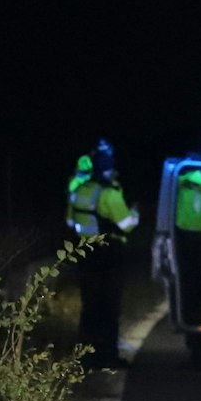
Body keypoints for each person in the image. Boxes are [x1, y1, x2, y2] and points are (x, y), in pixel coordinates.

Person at [66, 140, 140, 369]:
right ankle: (108, 356)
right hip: (110, 256)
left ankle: (86, 357)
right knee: (109, 308)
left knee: (90, 307)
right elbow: (127, 224)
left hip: (85, 253)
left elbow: (70, 220)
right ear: (108, 168)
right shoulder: (109, 194)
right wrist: (135, 214)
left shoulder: (79, 191)